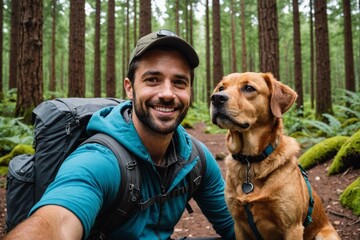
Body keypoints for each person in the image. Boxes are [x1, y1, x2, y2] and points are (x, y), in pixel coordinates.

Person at [4, 29, 235, 240]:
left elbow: (236, 227)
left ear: (190, 91)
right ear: (129, 87)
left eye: (179, 82)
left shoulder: (196, 159)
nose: (167, 93)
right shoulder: (100, 159)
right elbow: (58, 222)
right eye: (152, 80)